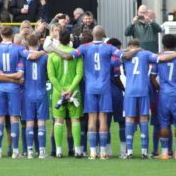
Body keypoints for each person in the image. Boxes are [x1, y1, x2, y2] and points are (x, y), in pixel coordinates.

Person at [49, 25, 136, 159]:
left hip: (90, 88)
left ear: (93, 35)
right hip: (104, 88)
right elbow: (126, 55)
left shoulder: (84, 47)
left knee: (91, 119)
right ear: (104, 35)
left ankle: (92, 152)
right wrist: (138, 49)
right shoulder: (109, 48)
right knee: (102, 120)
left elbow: (67, 56)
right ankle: (102, 152)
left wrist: (53, 48)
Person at [0, 26, 45, 158]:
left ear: (0, 34)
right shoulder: (19, 48)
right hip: (14, 88)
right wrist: (43, 52)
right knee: (14, 118)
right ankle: (15, 151)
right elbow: (33, 56)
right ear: (12, 34)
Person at [121, 39, 176, 159]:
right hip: (143, 90)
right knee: (143, 118)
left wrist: (133, 51)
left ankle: (129, 152)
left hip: (130, 91)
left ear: (129, 46)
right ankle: (144, 152)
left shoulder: (124, 54)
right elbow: (162, 58)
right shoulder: (146, 54)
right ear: (139, 45)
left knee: (129, 119)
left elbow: (125, 60)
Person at [47, 28, 83, 158]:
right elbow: (79, 74)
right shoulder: (76, 53)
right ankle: (78, 150)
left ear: (59, 39)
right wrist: (71, 89)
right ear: (70, 39)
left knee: (58, 121)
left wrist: (61, 90)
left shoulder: (52, 55)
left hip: (59, 92)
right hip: (74, 92)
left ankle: (58, 151)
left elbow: (51, 76)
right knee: (75, 120)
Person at [22, 34, 48, 159]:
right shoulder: (45, 57)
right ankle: (42, 152)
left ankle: (30, 152)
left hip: (28, 93)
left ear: (27, 43)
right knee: (41, 122)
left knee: (29, 122)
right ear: (38, 42)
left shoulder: (23, 56)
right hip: (41, 92)